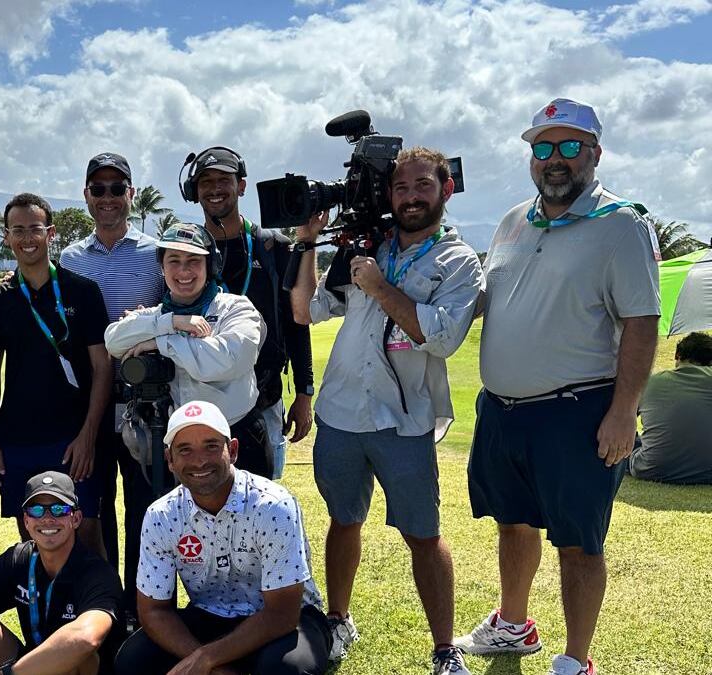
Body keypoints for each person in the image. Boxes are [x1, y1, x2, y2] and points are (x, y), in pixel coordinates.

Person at [457, 98, 660, 675]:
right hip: (502, 410)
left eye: (570, 147)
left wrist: (625, 411)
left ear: (594, 154)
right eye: (543, 148)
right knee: (513, 520)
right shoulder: (513, 220)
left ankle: (576, 658)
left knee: (578, 541)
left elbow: (642, 323)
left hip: (578, 411)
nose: (555, 159)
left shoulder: (621, 223)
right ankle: (514, 624)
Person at [290, 147, 483, 673]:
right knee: (343, 520)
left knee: (423, 533)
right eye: (400, 187)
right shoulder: (363, 247)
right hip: (341, 413)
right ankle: (338, 619)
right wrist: (308, 244)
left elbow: (440, 337)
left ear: (445, 190)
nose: (411, 196)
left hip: (405, 420)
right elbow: (306, 309)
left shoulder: (458, 260)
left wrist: (379, 285)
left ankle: (444, 649)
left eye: (423, 185)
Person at [114, 401, 331, 675]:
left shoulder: (273, 505)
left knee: (288, 669)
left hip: (288, 619)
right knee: (132, 660)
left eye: (211, 446)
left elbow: (282, 614)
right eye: (185, 450)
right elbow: (153, 611)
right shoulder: (161, 516)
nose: (200, 460)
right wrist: (211, 665)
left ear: (234, 450)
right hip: (211, 613)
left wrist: (206, 658)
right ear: (169, 460)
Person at [60, 152, 165, 621]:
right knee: (92, 512)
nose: (107, 198)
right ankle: (103, 610)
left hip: (146, 404)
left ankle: (143, 613)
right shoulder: (69, 258)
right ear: (86, 196)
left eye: (116, 188)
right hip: (89, 407)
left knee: (145, 511)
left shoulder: (155, 253)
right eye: (97, 189)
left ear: (131, 194)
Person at [0, 193, 113, 553]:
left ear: (51, 233)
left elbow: (103, 368)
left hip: (73, 438)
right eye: (17, 230)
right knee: (35, 537)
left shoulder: (83, 292)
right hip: (17, 439)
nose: (27, 238)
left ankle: (100, 609)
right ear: (6, 236)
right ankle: (39, 610)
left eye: (35, 229)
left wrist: (88, 436)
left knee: (85, 532)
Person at [184, 146, 316, 478]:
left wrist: (304, 392)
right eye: (206, 182)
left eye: (223, 180)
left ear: (241, 186)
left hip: (264, 398)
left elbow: (296, 323)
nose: (215, 189)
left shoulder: (273, 245)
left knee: (263, 502)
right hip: (202, 402)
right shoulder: (186, 252)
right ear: (194, 191)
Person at [104, 222, 267, 479]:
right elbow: (114, 341)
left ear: (210, 266)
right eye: (174, 261)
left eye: (193, 260)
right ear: (162, 267)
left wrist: (161, 343)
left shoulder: (236, 308)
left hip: (236, 435)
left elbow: (232, 357)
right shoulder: (155, 317)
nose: (183, 271)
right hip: (172, 442)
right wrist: (172, 323)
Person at [0, 471, 123, 675]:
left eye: (58, 509)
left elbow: (85, 638)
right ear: (26, 521)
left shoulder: (98, 574)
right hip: (32, 667)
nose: (47, 519)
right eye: (37, 510)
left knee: (80, 657)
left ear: (76, 518)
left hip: (73, 668)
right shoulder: (18, 559)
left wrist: (11, 673)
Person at [630, 332, 712, 484]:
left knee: (627, 438)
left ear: (677, 355)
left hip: (653, 468)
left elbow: (624, 420)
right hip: (708, 472)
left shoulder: (651, 382)